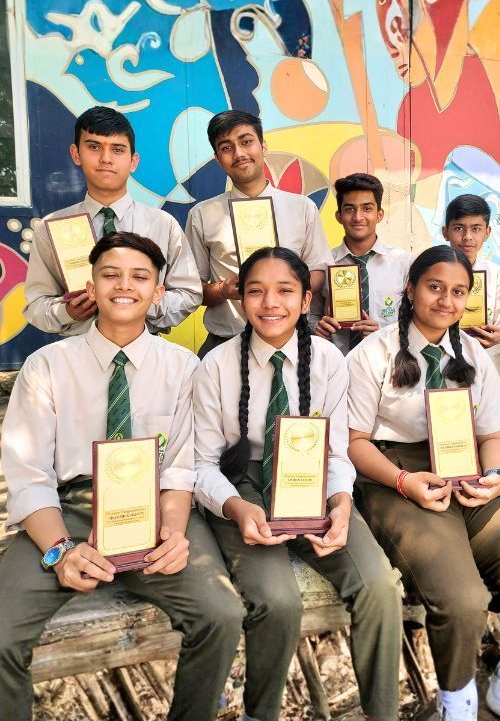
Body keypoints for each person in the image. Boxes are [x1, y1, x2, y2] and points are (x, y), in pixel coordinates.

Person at [0, 232, 244, 721]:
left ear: (158, 292)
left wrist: (173, 534)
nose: (124, 286)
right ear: (91, 286)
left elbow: (179, 466)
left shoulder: (182, 368)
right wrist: (60, 551)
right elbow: (29, 474)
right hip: (69, 510)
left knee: (220, 615)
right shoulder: (47, 366)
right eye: (110, 275)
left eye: (140, 277)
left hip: (154, 507)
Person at [194, 246, 402, 721]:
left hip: (313, 481)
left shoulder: (329, 361)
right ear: (241, 300)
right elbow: (202, 465)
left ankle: (382, 713)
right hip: (242, 484)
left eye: (285, 290)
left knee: (379, 587)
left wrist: (342, 502)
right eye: (256, 291)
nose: (271, 303)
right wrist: (236, 508)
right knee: (277, 601)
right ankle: (261, 713)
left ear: (306, 299)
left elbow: (335, 452)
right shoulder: (216, 366)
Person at [347, 245, 500, 721]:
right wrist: (403, 480)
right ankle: (457, 701)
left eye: (458, 292)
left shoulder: (473, 354)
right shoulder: (372, 353)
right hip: (394, 473)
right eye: (435, 287)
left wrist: (494, 476)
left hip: (466, 469)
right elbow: (353, 442)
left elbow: (492, 434)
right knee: (462, 599)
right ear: (411, 289)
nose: (446, 301)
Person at [24, 106, 202, 336]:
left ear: (133, 161)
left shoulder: (163, 225)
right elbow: (36, 305)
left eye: (117, 150)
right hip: (78, 349)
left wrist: (139, 302)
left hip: (145, 349)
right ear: (76, 154)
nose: (106, 159)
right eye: (94, 147)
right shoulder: (52, 228)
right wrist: (66, 312)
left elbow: (189, 293)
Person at [185, 110, 332, 358]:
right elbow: (192, 288)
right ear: (218, 159)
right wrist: (223, 290)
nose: (239, 154)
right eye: (226, 148)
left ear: (263, 146)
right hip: (225, 342)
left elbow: (318, 270)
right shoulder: (202, 214)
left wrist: (286, 287)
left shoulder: (302, 207)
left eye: (246, 142)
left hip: (292, 340)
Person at [311, 173, 411, 353]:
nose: (358, 217)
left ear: (379, 214)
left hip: (387, 361)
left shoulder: (403, 263)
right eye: (349, 209)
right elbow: (311, 312)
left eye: (367, 208)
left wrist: (385, 334)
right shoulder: (323, 263)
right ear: (339, 216)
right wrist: (316, 327)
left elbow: (416, 319)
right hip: (335, 362)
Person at [442, 194, 500, 353]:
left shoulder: (495, 275)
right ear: (445, 232)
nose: (467, 237)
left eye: (476, 229)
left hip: (485, 357)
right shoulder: (429, 271)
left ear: (487, 233)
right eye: (459, 228)